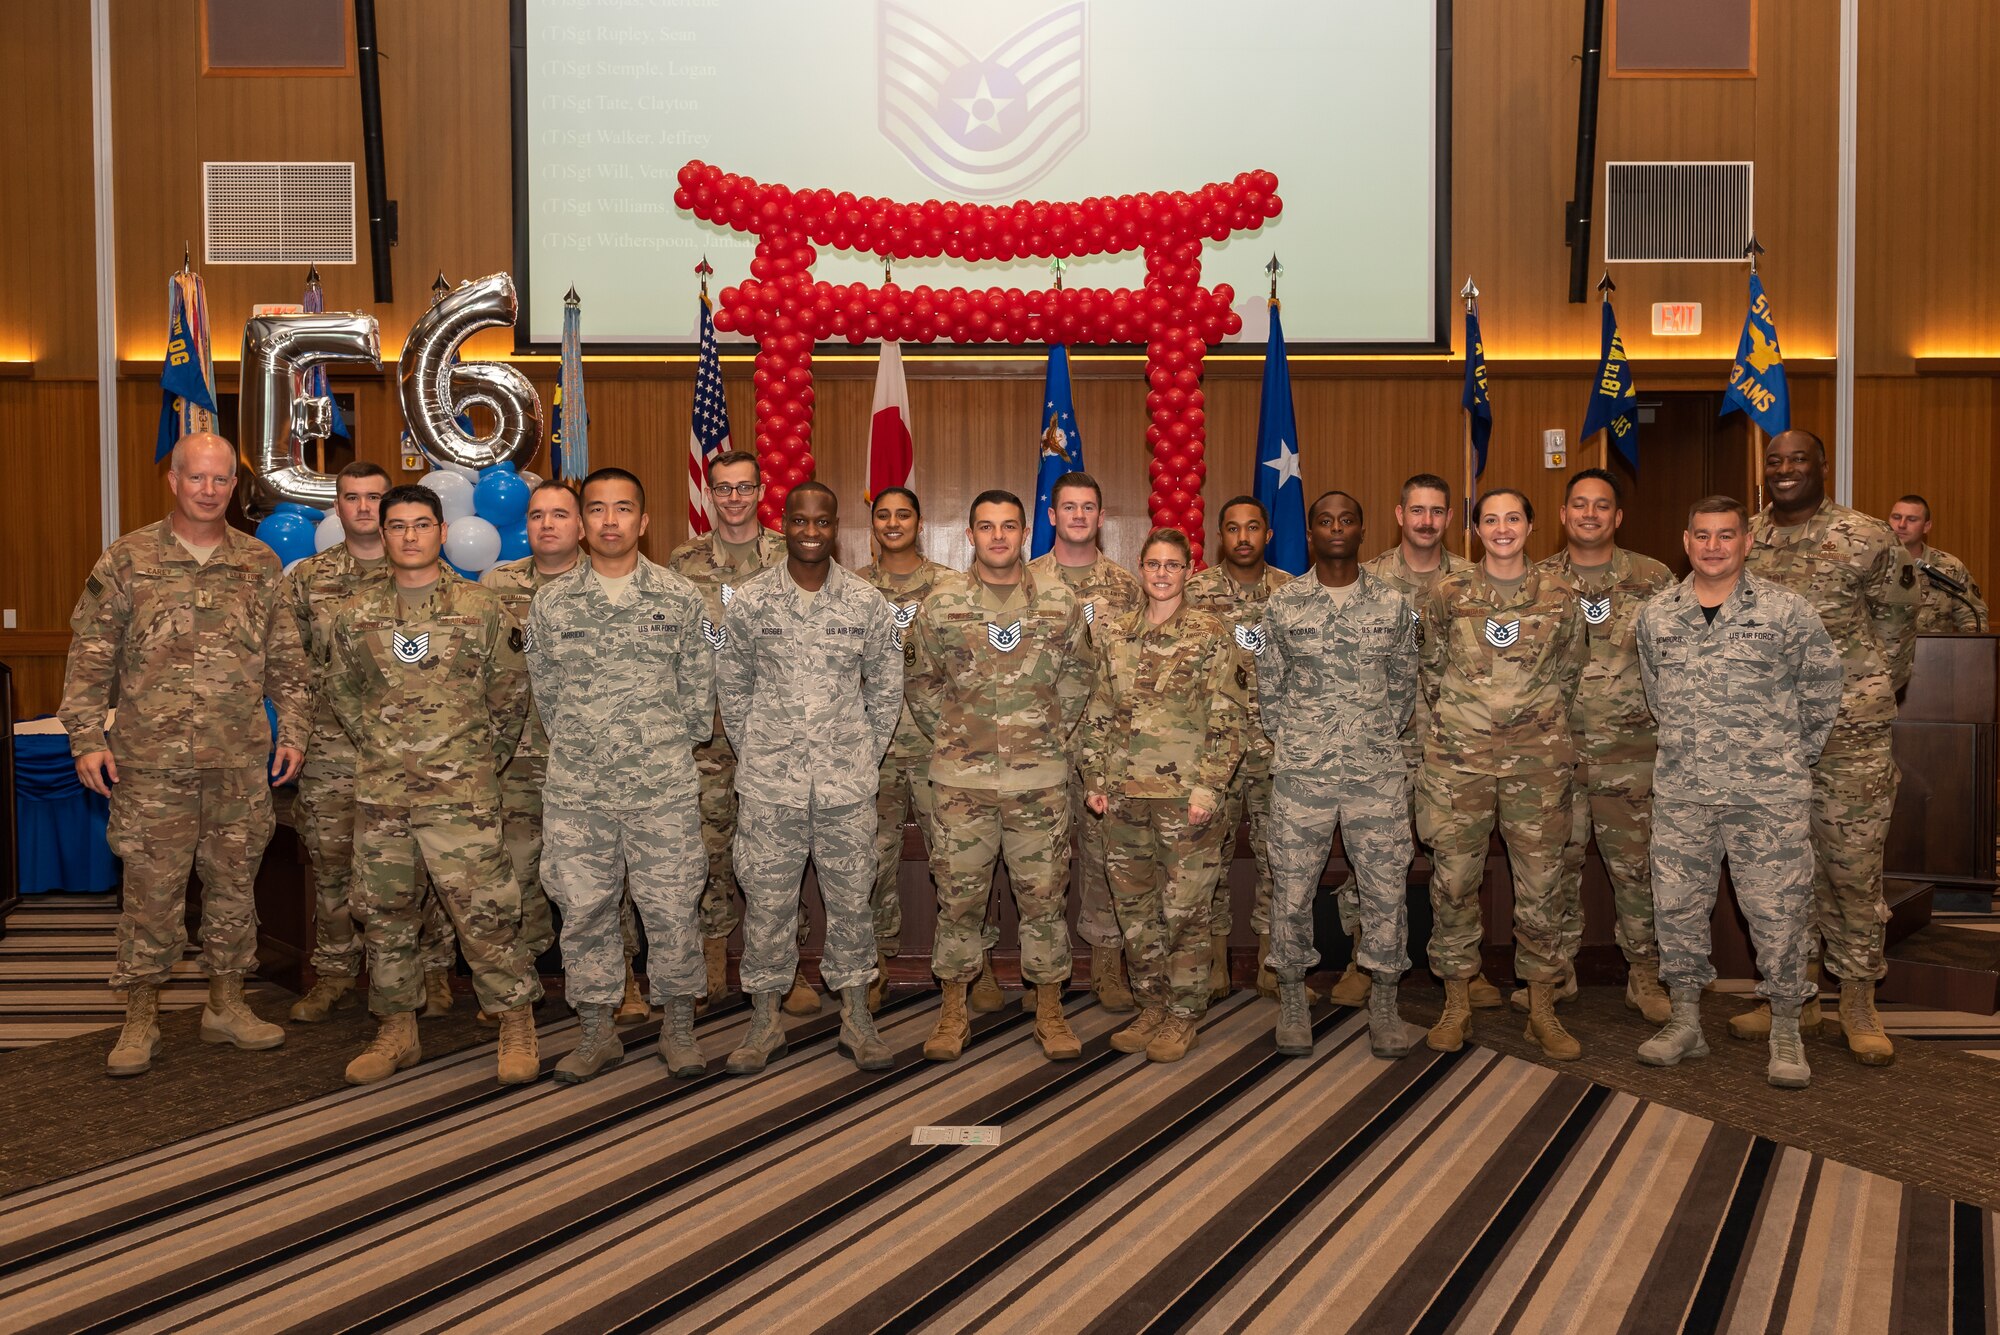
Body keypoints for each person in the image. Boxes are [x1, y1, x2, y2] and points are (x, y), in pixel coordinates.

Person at [62, 432, 309, 1077]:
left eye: (221, 480)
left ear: (235, 485)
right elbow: (90, 656)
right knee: (151, 890)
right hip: (149, 762)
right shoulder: (127, 560)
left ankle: (226, 1004)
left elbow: (286, 659)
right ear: (173, 481)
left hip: (238, 761)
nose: (208, 490)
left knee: (234, 887)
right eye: (196, 478)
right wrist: (86, 738)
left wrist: (295, 731)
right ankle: (140, 1016)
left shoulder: (259, 564)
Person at [327, 485, 543, 1086]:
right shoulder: (353, 615)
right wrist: (386, 749)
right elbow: (344, 695)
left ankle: (515, 1020)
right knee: (386, 913)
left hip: (461, 797)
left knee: (486, 913)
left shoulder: (481, 608)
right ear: (384, 534)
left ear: (442, 532)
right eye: (397, 526)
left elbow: (510, 695)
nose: (410, 536)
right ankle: (398, 1028)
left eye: (422, 524)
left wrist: (474, 762)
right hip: (384, 795)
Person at [1636, 496, 1843, 1088]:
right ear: (1686, 540)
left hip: (1766, 797)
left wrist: (1786, 759)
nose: (1713, 546)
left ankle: (1785, 1029)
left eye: (1726, 535)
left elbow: (1823, 688)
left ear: (1746, 542)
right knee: (1675, 911)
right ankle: (1685, 1022)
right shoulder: (1657, 616)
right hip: (1683, 794)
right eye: (1702, 535)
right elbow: (1658, 697)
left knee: (1778, 915)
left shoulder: (1786, 611)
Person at [528, 468, 714, 1083]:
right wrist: (594, 747)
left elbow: (697, 697)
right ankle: (596, 1030)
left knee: (672, 907)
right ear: (581, 524)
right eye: (598, 510)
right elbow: (547, 696)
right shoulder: (550, 604)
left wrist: (651, 748)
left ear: (644, 521)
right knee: (583, 909)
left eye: (623, 509)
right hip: (580, 790)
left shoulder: (680, 597)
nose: (611, 521)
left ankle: (679, 1027)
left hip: (661, 786)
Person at [1739, 430, 1918, 1064]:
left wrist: (1859, 692)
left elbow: (1897, 631)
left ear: (1822, 467)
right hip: (1768, 737)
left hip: (1850, 737)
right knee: (1779, 872)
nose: (1785, 470)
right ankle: (1793, 997)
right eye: (1775, 461)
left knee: (1851, 869)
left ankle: (1858, 998)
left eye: (1798, 460)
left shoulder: (1867, 537)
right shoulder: (1744, 538)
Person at [906, 490, 1099, 1063]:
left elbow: (1080, 677)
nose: (997, 536)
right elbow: (920, 682)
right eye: (986, 526)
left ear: (1024, 534)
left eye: (1009, 526)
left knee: (1043, 899)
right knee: (958, 900)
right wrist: (959, 737)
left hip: (1037, 782)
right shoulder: (941, 603)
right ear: (970, 535)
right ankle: (953, 1009)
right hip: (962, 783)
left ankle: (1049, 1008)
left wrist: (1046, 734)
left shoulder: (1059, 602)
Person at [717, 483, 903, 1074]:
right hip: (770, 786)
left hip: (846, 786)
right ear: (785, 524)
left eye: (822, 522)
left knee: (852, 900)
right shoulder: (749, 602)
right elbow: (733, 686)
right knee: (768, 904)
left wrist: (860, 758)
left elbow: (887, 691)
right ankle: (764, 1022)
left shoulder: (866, 603)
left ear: (837, 526)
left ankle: (856, 1017)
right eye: (799, 520)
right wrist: (760, 753)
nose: (810, 531)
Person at [283, 462, 461, 1024]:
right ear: (336, 507)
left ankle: (433, 968)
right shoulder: (307, 580)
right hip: (333, 751)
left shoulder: (428, 573)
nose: (362, 507)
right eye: (351, 497)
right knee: (333, 865)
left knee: (426, 863)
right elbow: (290, 666)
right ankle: (335, 972)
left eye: (373, 498)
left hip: (418, 753)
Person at [1418, 488, 1588, 1060]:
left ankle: (1541, 1007)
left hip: (1536, 761)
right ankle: (1456, 1002)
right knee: (1454, 881)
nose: (1502, 528)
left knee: (1542, 885)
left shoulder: (1564, 594)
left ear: (1532, 525)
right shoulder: (1447, 591)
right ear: (1475, 530)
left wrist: (1530, 722)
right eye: (1490, 519)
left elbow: (1572, 667)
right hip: (1458, 761)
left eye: (1513, 517)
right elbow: (1430, 665)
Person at [1258, 492, 1423, 1058]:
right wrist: (1306, 739)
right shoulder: (1283, 606)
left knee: (1384, 889)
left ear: (1361, 530)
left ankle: (1384, 1002)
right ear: (1309, 533)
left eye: (1347, 519)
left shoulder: (1392, 605)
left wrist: (1366, 733)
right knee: (1291, 888)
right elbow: (1269, 689)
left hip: (1375, 772)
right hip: (1302, 773)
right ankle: (1293, 1000)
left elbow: (1403, 687)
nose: (1336, 528)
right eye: (1324, 521)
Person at [1330, 474, 1503, 1011]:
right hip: (1383, 742)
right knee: (1372, 857)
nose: (1426, 520)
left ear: (1450, 519)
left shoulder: (1478, 580)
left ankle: (1463, 967)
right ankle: (1364, 955)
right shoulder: (1368, 578)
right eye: (1417, 510)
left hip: (1457, 745)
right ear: (1399, 515)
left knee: (1458, 860)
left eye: (1437, 511)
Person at [1079, 529, 1248, 1062]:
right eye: (1152, 563)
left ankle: (1183, 1014)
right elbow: (1101, 711)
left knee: (1185, 910)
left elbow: (1229, 715)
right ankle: (1151, 1004)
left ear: (1188, 570)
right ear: (1141, 567)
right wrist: (1094, 779)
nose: (1161, 573)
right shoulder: (1118, 633)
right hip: (1124, 797)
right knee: (1136, 908)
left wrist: (1209, 788)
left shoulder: (1209, 634)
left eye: (1172, 565)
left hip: (1184, 799)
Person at [485, 479, 644, 1024]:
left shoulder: (606, 581)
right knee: (521, 872)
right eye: (536, 515)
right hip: (515, 757)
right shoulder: (495, 585)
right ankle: (524, 990)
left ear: (582, 526)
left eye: (560, 515)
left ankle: (622, 982)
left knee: (609, 875)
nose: (546, 524)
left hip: (592, 760)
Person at [667, 450, 812, 1015]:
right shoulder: (683, 561)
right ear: (710, 493)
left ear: (760, 491)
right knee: (707, 847)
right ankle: (712, 955)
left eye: (743, 488)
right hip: (705, 732)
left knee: (781, 850)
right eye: (723, 488)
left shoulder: (787, 553)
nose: (732, 498)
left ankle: (790, 966)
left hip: (774, 731)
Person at [1535, 468, 1675, 1023]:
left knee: (1638, 871)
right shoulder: (1535, 580)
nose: (1589, 514)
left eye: (1602, 506)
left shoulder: (1656, 578)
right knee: (1552, 868)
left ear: (1617, 517)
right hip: (1553, 755)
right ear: (1563, 515)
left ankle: (1645, 976)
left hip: (1632, 754)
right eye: (1579, 505)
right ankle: (1557, 974)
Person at [1027, 471, 1144, 1013]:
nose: (1077, 515)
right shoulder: (1022, 582)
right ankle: (1042, 976)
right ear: (1051, 516)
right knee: (1038, 861)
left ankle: (1106, 964)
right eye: (1067, 507)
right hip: (1036, 742)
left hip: (1104, 744)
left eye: (1088, 507)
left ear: (1101, 517)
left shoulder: (1128, 587)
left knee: (1102, 855)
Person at [1184, 496, 1290, 1005]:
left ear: (1268, 535)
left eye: (1253, 527)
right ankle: (1215, 964)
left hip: (1277, 749)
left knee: (1278, 859)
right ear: (1218, 536)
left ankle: (1272, 963)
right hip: (1213, 752)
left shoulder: (1294, 592)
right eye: (1232, 528)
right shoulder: (1194, 592)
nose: (1243, 537)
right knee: (1209, 861)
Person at [856, 486, 954, 1013]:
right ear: (872, 523)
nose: (893, 523)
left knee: (957, 863)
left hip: (940, 747)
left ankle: (970, 964)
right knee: (874, 862)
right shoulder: (851, 587)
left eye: (903, 514)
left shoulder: (949, 587)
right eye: (883, 515)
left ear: (920, 521)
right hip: (874, 751)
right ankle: (877, 965)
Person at [1887, 494, 1987, 633]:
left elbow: (1973, 618)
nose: (1901, 525)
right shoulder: (1871, 562)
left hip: (1934, 652)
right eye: (1896, 517)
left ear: (1926, 526)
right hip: (1881, 652)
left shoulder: (1949, 567)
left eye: (1912, 519)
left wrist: (1965, 650)